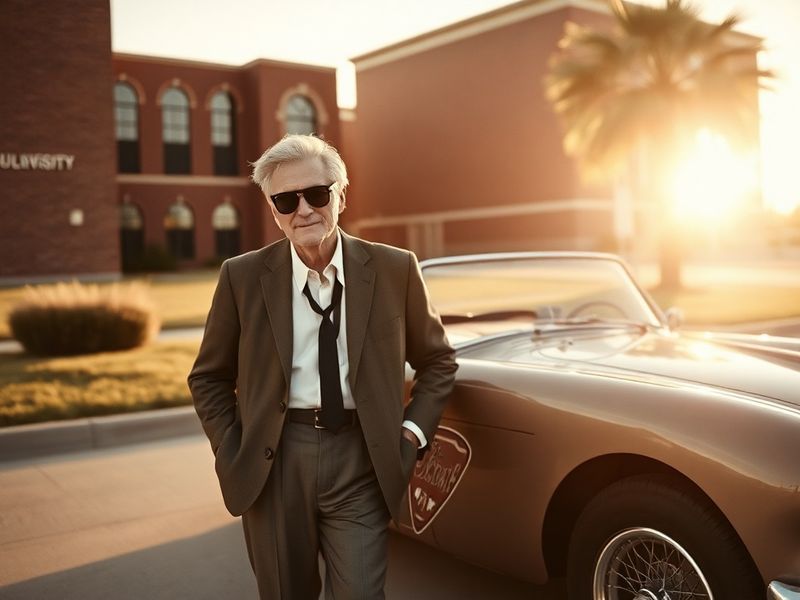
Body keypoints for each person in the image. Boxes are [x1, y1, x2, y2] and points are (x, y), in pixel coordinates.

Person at [188, 134, 457, 599]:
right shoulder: (242, 276)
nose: (304, 210)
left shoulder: (395, 268)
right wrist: (233, 447)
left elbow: (438, 361)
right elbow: (208, 377)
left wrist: (411, 434)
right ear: (272, 209)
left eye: (316, 194)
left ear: (340, 195)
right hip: (274, 462)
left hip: (361, 459)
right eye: (286, 200)